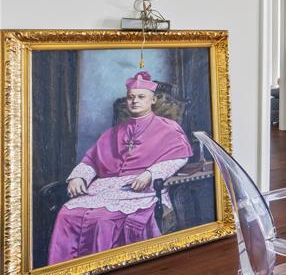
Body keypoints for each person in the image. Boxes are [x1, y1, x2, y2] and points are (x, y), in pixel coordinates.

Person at [47, 71, 193, 265]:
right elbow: (91, 160)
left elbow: (179, 157)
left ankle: (102, 271)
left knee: (103, 220)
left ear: (153, 100)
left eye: (141, 97)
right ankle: (66, 272)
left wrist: (150, 173)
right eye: (131, 97)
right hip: (107, 187)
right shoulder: (113, 132)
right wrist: (78, 177)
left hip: (141, 188)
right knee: (67, 213)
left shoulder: (168, 127)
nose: (134, 101)